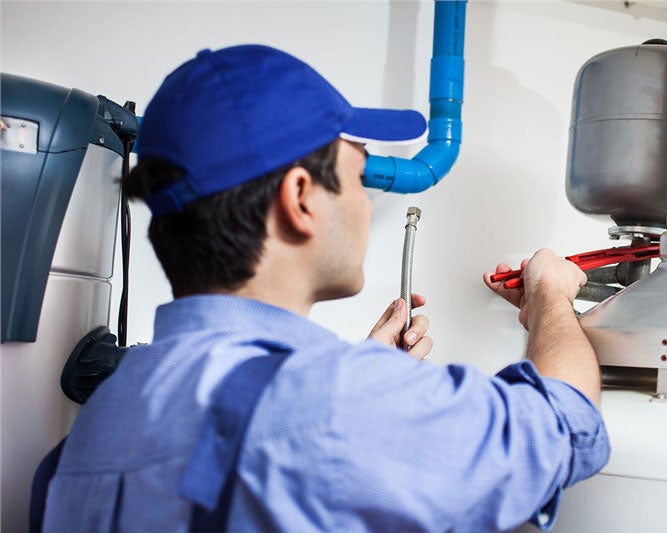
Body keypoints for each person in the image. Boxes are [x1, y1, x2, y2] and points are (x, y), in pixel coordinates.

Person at [41, 44, 609, 532]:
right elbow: (563, 426)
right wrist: (551, 296)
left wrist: (354, 375)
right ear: (300, 199)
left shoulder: (100, 418)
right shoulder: (331, 404)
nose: (365, 201)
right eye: (359, 175)